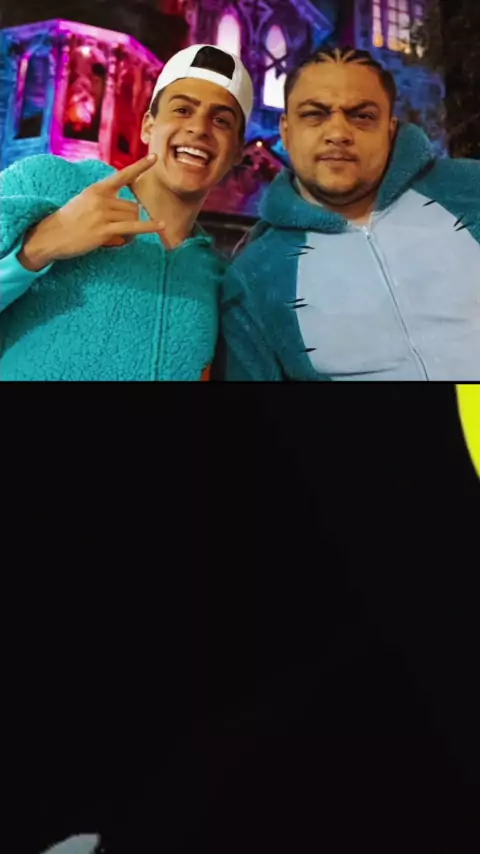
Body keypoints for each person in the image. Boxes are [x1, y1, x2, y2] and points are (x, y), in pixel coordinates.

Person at [217, 46, 480, 381]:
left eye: (362, 116)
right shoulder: (254, 277)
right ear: (286, 130)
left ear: (390, 128)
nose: (338, 134)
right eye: (315, 114)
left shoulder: (469, 190)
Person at [0, 44, 253, 381]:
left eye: (221, 120)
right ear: (148, 125)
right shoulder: (48, 184)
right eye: (182, 110)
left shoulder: (216, 279)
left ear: (237, 152)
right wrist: (38, 246)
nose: (199, 128)